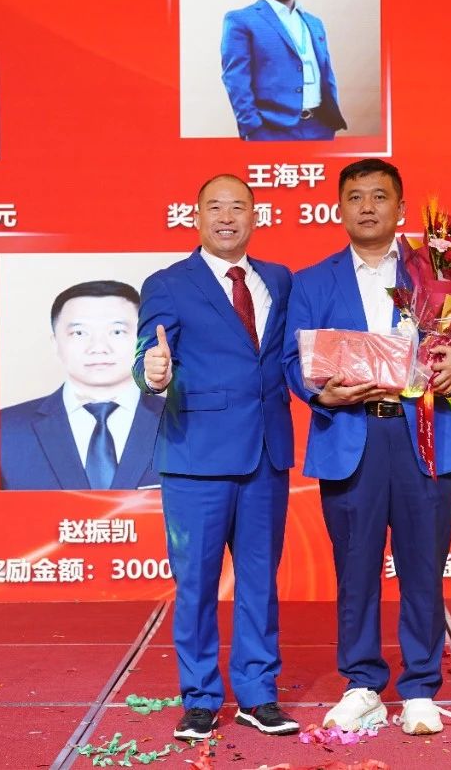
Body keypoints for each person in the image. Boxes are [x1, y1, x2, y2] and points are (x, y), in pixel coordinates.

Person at [283, 159, 451, 735]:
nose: (367, 206)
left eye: (379, 196)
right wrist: (320, 391)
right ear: (339, 208)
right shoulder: (311, 281)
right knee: (354, 567)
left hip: (424, 436)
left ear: (401, 208)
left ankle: (421, 687)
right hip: (349, 435)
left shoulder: (440, 268)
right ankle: (362, 683)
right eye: (355, 196)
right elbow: (291, 359)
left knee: (423, 565)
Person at [134, 175, 299, 741]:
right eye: (215, 207)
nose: (227, 217)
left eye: (238, 207)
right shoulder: (167, 283)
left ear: (256, 216)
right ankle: (201, 698)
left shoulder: (278, 279)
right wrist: (154, 375)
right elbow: (149, 356)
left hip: (266, 456)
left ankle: (258, 694)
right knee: (197, 585)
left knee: (260, 583)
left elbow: (288, 356)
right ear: (196, 216)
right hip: (196, 458)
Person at [0, 281, 162, 490]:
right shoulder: (3, 429)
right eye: (79, 333)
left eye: (117, 332)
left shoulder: (189, 423)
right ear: (55, 343)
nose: (98, 348)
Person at [221, 0, 347, 141]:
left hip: (320, 128)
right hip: (271, 131)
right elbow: (235, 79)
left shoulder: (314, 23)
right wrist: (252, 127)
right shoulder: (242, 20)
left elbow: (326, 73)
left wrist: (330, 121)